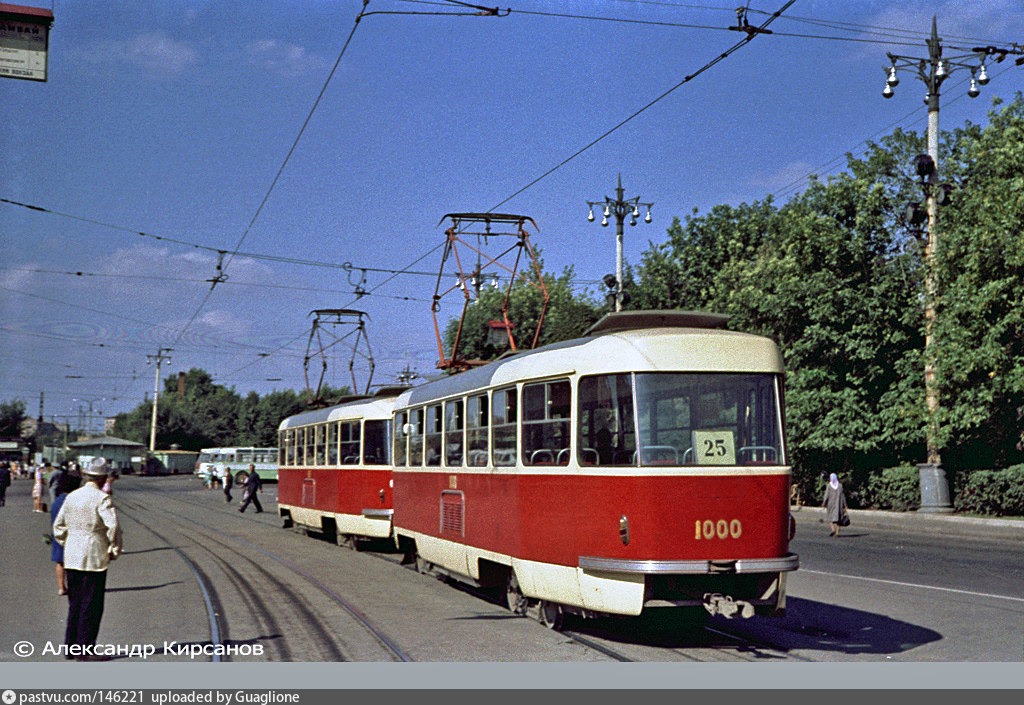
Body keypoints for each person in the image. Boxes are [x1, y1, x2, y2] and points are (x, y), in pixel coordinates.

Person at [52, 458, 123, 660]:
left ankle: (70, 647)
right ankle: (85, 649)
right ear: (102, 479)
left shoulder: (72, 497)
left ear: (86, 476)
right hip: (94, 556)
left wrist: (69, 541)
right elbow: (113, 526)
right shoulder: (102, 498)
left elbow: (58, 527)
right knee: (91, 604)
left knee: (75, 603)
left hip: (73, 555)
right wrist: (113, 549)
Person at [50, 469, 82, 595]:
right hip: (74, 534)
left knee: (60, 561)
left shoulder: (56, 502)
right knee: (75, 562)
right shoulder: (76, 500)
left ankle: (61, 587)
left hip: (58, 533)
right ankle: (76, 586)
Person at [822, 472, 849, 537]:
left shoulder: (829, 486)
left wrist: (824, 505)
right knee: (839, 519)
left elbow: (826, 496)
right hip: (838, 505)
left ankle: (832, 529)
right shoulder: (840, 486)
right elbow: (843, 496)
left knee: (830, 518)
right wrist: (845, 505)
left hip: (831, 504)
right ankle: (837, 533)